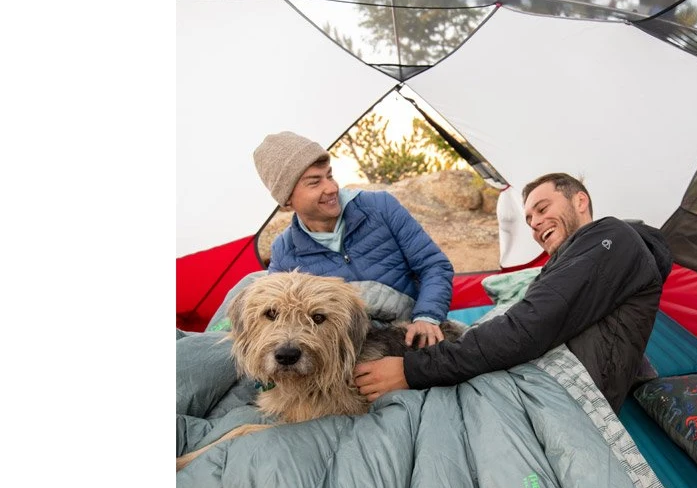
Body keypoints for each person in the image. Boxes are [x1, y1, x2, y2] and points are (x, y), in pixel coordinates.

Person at [354, 172, 672, 410]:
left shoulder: (612, 236)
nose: (535, 223)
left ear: (580, 201)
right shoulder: (572, 263)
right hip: (535, 382)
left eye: (542, 208)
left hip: (559, 398)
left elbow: (528, 326)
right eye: (530, 220)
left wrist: (413, 370)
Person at [253, 131, 454, 347]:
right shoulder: (284, 251)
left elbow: (433, 265)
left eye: (329, 176)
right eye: (315, 182)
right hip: (355, 349)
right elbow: (280, 318)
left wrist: (426, 317)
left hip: (412, 331)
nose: (331, 188)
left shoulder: (380, 207)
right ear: (287, 200)